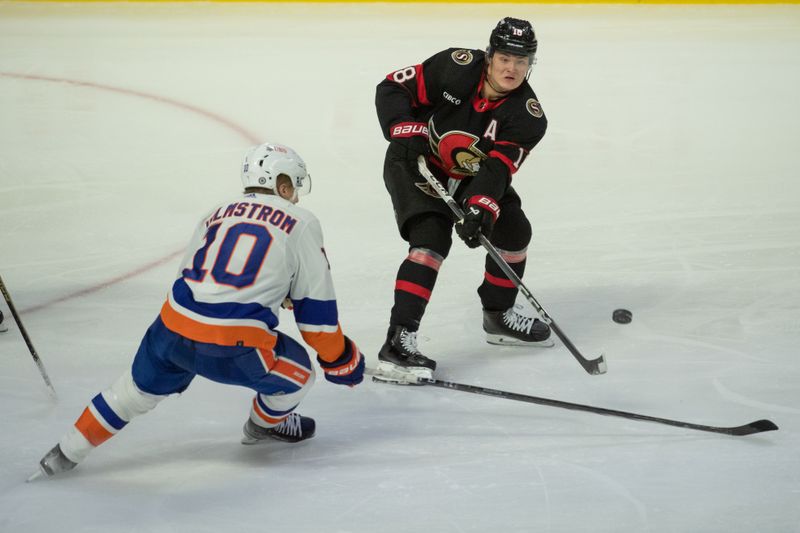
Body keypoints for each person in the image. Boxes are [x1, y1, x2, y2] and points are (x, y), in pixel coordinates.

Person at [30, 142, 365, 480]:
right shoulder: (302, 222)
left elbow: (191, 278)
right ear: (280, 183)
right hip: (235, 345)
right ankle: (261, 427)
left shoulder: (215, 212)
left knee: (130, 394)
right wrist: (343, 361)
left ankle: (63, 454)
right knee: (301, 375)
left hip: (171, 329)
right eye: (293, 185)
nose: (296, 196)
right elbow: (318, 326)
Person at [375, 17, 554, 381]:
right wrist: (401, 126)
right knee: (430, 240)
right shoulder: (455, 66)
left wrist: (481, 209)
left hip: (471, 174)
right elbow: (393, 87)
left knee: (514, 232)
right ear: (489, 56)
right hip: (417, 162)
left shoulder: (528, 116)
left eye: (522, 61)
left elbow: (497, 170)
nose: (512, 68)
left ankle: (498, 315)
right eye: (505, 58)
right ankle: (398, 342)